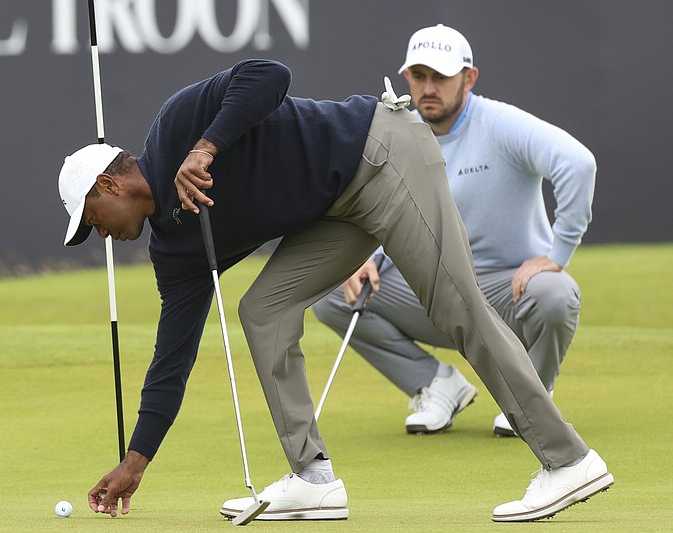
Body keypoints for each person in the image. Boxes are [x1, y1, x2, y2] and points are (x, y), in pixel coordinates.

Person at [57, 58, 611, 523]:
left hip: (382, 151)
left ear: (110, 184)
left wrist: (206, 147)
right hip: (337, 210)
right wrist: (137, 458)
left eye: (93, 219)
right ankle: (313, 478)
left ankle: (568, 461)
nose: (99, 234)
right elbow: (171, 355)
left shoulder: (179, 121)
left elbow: (270, 75)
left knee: (456, 307)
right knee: (264, 310)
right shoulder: (172, 249)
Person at [314, 24, 597, 439]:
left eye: (441, 77)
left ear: (469, 78)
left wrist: (557, 254)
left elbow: (578, 163)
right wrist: (364, 259)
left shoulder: (499, 124)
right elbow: (374, 207)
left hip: (507, 293)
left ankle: (530, 397)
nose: (428, 88)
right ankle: (435, 384)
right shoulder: (394, 131)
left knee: (555, 294)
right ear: (406, 77)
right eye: (419, 76)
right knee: (330, 289)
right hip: (434, 290)